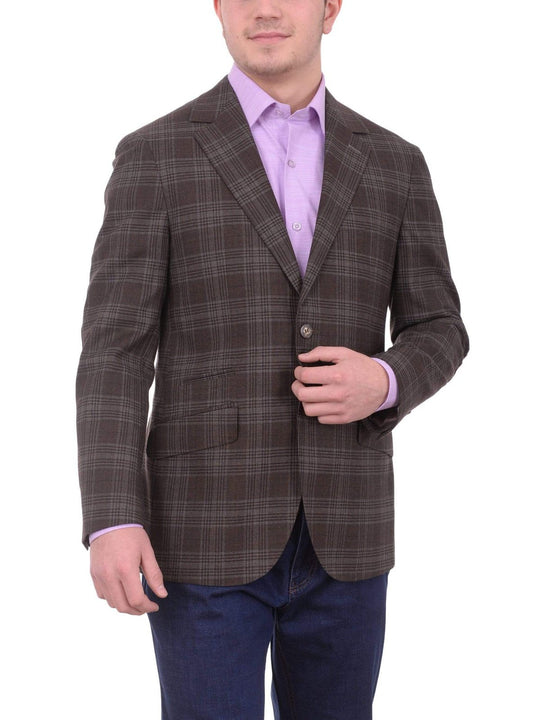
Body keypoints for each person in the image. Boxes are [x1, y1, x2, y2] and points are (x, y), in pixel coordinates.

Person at [76, 1, 469, 717]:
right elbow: (115, 355)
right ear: (218, 8)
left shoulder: (395, 163)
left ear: (330, 8)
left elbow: (441, 326)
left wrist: (385, 380)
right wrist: (112, 517)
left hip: (349, 532)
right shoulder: (155, 155)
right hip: (201, 532)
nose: (264, 8)